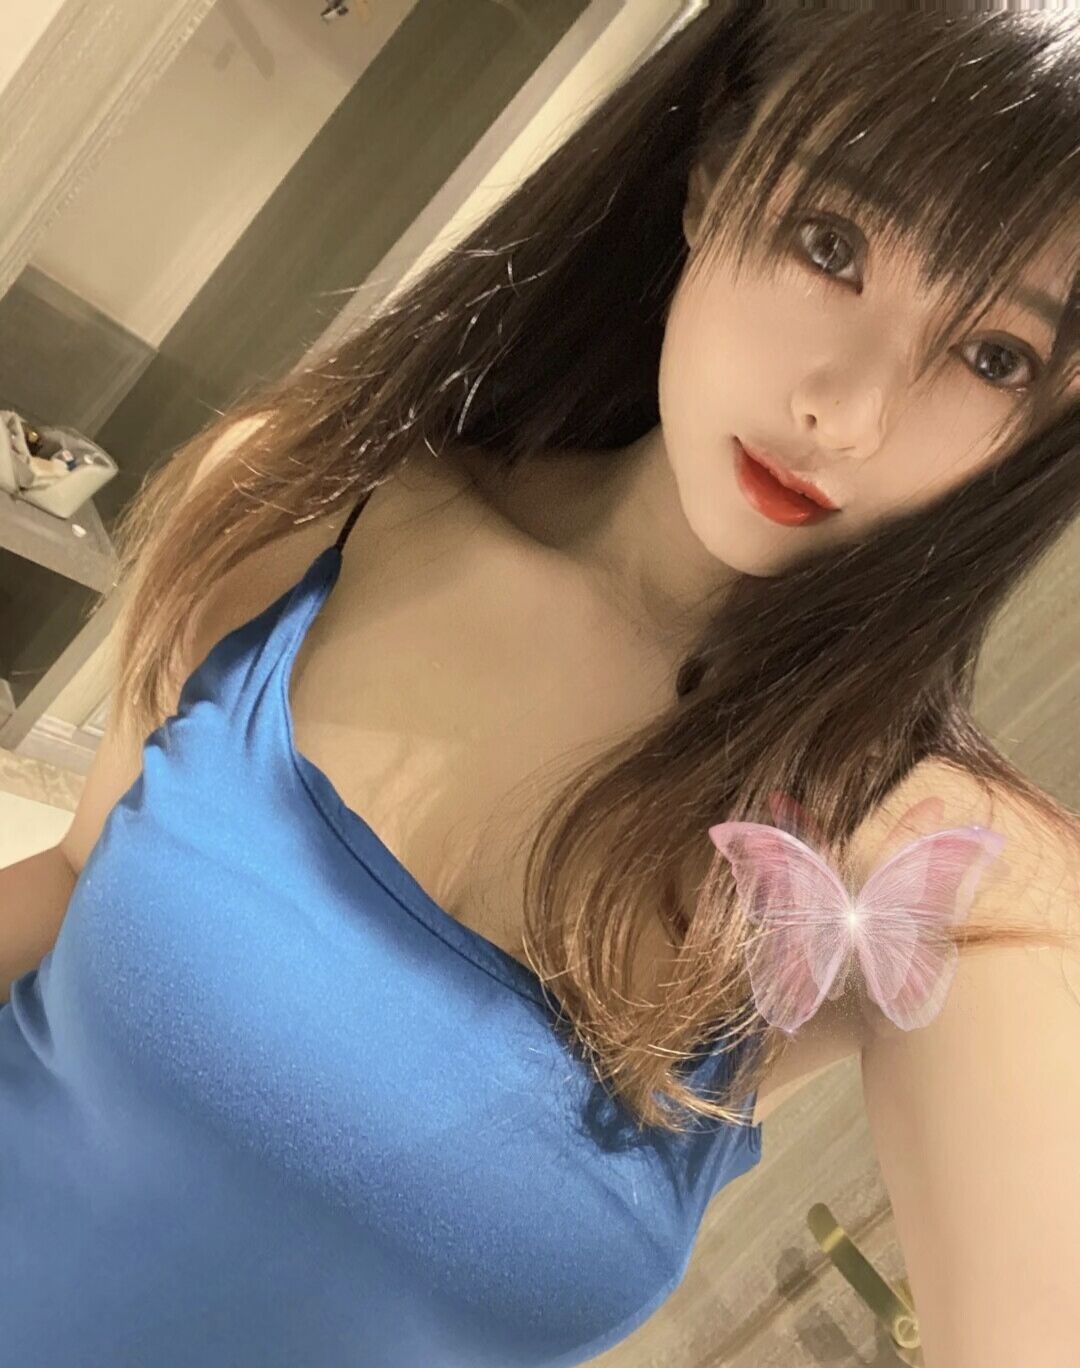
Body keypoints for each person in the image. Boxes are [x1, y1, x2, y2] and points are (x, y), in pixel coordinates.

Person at [1, 5, 1078, 1365]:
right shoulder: (317, 504)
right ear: (713, 175)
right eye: (830, 246)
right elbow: (73, 880)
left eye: (993, 356)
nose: (848, 414)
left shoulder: (927, 868)